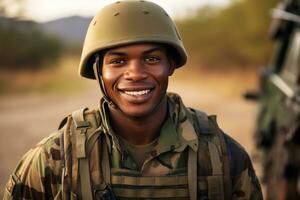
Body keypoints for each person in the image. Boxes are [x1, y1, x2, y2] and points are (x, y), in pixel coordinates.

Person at [3, 1, 263, 199]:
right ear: (98, 72)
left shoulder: (221, 156)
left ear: (171, 65)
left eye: (152, 59)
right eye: (118, 61)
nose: (136, 74)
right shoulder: (54, 159)